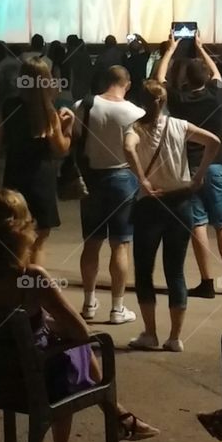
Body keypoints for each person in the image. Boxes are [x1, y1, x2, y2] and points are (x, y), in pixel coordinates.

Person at [0, 190, 158, 442]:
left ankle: (117, 417)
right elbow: (82, 332)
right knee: (72, 352)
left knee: (59, 347)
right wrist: (48, 327)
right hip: (30, 382)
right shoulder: (31, 277)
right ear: (21, 231)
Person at [124, 80, 220, 352]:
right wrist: (198, 176)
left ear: (142, 102)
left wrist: (141, 178)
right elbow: (213, 142)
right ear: (164, 101)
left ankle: (150, 333)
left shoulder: (136, 128)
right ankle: (175, 337)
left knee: (144, 271)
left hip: (150, 205)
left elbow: (129, 148)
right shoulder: (180, 125)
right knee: (175, 271)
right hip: (181, 203)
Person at [159, 33, 222, 297]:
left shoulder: (178, 100)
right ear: (205, 78)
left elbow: (159, 80)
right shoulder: (215, 95)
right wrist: (200, 47)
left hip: (190, 168)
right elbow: (217, 74)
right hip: (217, 165)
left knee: (197, 224)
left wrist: (171, 50)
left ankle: (207, 282)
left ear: (185, 79)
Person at [74, 65, 143, 326]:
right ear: (127, 84)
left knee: (91, 243)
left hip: (91, 179)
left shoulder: (85, 105)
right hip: (123, 180)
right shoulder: (136, 112)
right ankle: (117, 308)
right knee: (121, 244)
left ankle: (89, 303)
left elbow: (75, 138)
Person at [1, 57, 73, 261]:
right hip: (41, 180)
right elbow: (60, 149)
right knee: (38, 241)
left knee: (16, 237)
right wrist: (67, 128)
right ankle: (32, 286)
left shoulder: (8, 106)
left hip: (13, 177)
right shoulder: (49, 111)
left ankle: (16, 284)